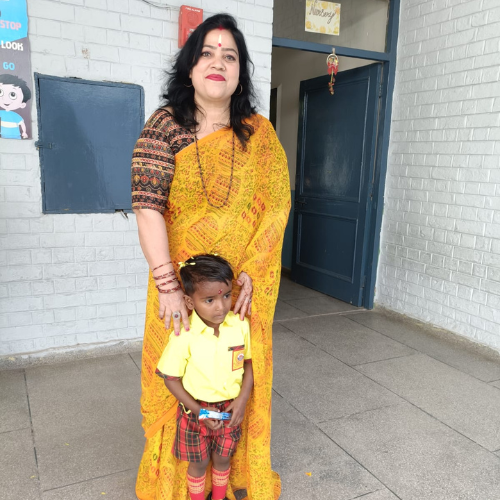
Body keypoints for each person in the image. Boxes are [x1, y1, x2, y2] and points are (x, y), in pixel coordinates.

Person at [132, 13, 290, 500]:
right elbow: (147, 206)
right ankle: (176, 482)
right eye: (207, 53)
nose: (218, 63)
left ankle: (232, 471)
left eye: (230, 56)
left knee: (236, 368)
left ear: (240, 72)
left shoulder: (259, 136)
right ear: (190, 66)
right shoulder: (165, 126)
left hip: (239, 288)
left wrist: (252, 272)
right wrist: (168, 287)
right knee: (178, 370)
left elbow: (276, 207)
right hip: (180, 289)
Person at [156, 254, 253, 500]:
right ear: (189, 301)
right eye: (209, 300)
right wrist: (199, 411)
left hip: (230, 410)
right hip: (194, 413)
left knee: (223, 458)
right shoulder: (184, 335)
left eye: (227, 296)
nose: (221, 307)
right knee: (198, 463)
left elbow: (250, 363)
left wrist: (242, 399)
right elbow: (170, 378)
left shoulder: (240, 326)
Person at [0, 74, 31, 139]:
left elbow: (22, 124)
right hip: (2, 135)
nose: (5, 99)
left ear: (22, 105)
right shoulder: (1, 113)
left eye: (13, 94)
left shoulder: (16, 116)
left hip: (15, 136)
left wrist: (24, 132)